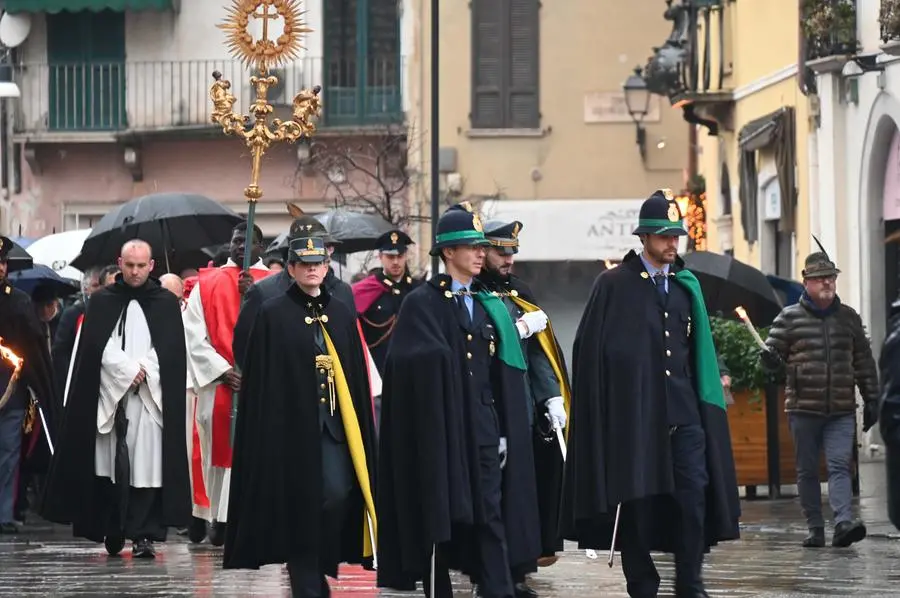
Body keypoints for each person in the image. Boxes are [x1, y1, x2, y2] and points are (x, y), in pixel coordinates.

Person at [560, 190, 740, 598]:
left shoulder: (685, 286)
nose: (672, 243)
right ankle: (642, 585)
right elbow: (589, 351)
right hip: (635, 420)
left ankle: (690, 583)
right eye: (663, 236)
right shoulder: (613, 286)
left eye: (676, 236)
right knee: (637, 508)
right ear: (644, 238)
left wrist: (714, 381)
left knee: (692, 500)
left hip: (684, 416)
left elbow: (699, 349)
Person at [377, 202, 540, 598]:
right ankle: (439, 587)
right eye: (471, 246)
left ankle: (497, 586)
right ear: (448, 252)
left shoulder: (488, 304)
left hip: (482, 428)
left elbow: (501, 368)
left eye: (482, 246)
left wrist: (503, 429)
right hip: (441, 431)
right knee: (441, 512)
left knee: (490, 512)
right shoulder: (423, 302)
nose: (481, 253)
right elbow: (409, 363)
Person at [224, 235, 377, 598]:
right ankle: (305, 574)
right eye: (304, 263)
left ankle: (320, 559)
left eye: (318, 262)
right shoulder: (272, 313)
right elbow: (261, 377)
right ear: (291, 268)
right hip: (291, 433)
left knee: (338, 495)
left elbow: (355, 372)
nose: (312, 268)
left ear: (327, 267)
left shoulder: (340, 310)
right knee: (300, 504)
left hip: (336, 429)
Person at [41, 239, 190, 558]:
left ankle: (145, 534)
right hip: (111, 396)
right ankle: (113, 527)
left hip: (150, 397)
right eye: (130, 265)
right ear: (120, 263)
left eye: (141, 266)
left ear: (151, 266)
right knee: (110, 465)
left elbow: (172, 349)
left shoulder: (165, 302)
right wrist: (125, 370)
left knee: (148, 466)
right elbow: (95, 345)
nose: (135, 272)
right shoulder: (102, 301)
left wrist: (145, 369)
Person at [760, 246, 878, 548]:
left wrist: (872, 398)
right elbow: (768, 362)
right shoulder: (788, 319)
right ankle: (815, 527)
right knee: (807, 470)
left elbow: (864, 361)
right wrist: (770, 363)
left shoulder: (849, 319)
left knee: (840, 465)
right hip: (803, 409)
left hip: (840, 409)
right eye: (820, 278)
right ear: (806, 282)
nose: (827, 282)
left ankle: (842, 523)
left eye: (831, 277)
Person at [477, 219, 569, 584]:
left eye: (512, 252)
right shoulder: (473, 291)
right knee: (493, 496)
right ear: (483, 251)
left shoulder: (520, 290)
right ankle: (490, 572)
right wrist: (515, 331)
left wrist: (552, 397)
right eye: (502, 252)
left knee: (524, 493)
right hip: (491, 408)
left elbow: (538, 355)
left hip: (525, 410)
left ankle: (518, 570)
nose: (509, 259)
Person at [183, 222, 270, 546]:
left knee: (256, 449)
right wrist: (221, 370)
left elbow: (280, 330)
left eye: (249, 242)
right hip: (219, 381)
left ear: (261, 247)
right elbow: (192, 334)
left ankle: (248, 516)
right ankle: (218, 518)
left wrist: (254, 298)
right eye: (236, 240)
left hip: (258, 383)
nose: (241, 247)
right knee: (217, 450)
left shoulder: (274, 284)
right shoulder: (208, 284)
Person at [0, 236, 56, 534]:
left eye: (2, 262)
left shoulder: (18, 300)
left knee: (9, 452)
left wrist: (37, 386)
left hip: (10, 389)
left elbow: (33, 347)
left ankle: (4, 515)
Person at [352, 230, 422, 374]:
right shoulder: (365, 289)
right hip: (379, 372)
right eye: (390, 257)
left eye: (400, 256)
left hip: (414, 369)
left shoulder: (419, 289)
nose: (395, 262)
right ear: (380, 257)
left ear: (406, 256)